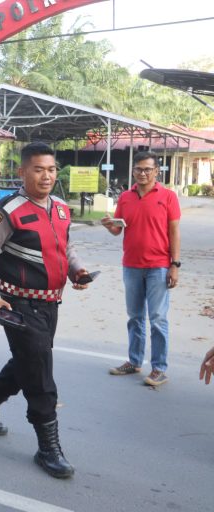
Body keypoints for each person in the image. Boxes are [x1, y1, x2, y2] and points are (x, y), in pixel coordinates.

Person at [0, 142, 91, 479]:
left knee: (28, 360)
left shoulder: (59, 207)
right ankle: (48, 447)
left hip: (50, 302)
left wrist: (77, 271)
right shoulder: (9, 210)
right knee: (40, 370)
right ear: (22, 172)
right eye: (38, 169)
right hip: (17, 304)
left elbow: (64, 246)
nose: (47, 176)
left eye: (52, 169)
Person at [102, 151, 181, 387]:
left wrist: (174, 265)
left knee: (157, 318)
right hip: (132, 265)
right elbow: (119, 229)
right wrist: (109, 225)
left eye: (147, 169)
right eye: (138, 169)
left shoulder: (168, 196)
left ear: (157, 171)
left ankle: (159, 368)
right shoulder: (126, 197)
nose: (143, 173)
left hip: (158, 266)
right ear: (133, 171)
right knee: (135, 317)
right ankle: (134, 361)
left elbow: (174, 232)